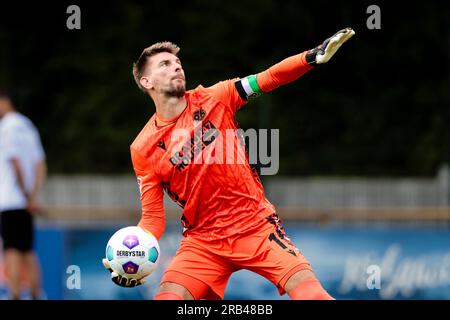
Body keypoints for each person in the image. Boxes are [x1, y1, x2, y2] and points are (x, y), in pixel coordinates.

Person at [103, 28, 355, 300]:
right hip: (203, 241)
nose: (177, 68)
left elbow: (268, 78)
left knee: (312, 295)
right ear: (146, 81)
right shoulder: (142, 148)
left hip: (255, 226)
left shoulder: (216, 97)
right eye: (165, 64)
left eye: (178, 63)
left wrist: (312, 56)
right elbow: (153, 218)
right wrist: (130, 255)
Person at [0, 90, 47, 300]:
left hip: (11, 199)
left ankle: (15, 294)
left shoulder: (7, 127)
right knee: (27, 250)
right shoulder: (28, 126)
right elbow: (40, 165)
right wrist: (33, 196)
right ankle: (37, 294)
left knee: (11, 250)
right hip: (25, 201)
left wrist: (25, 195)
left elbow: (14, 161)